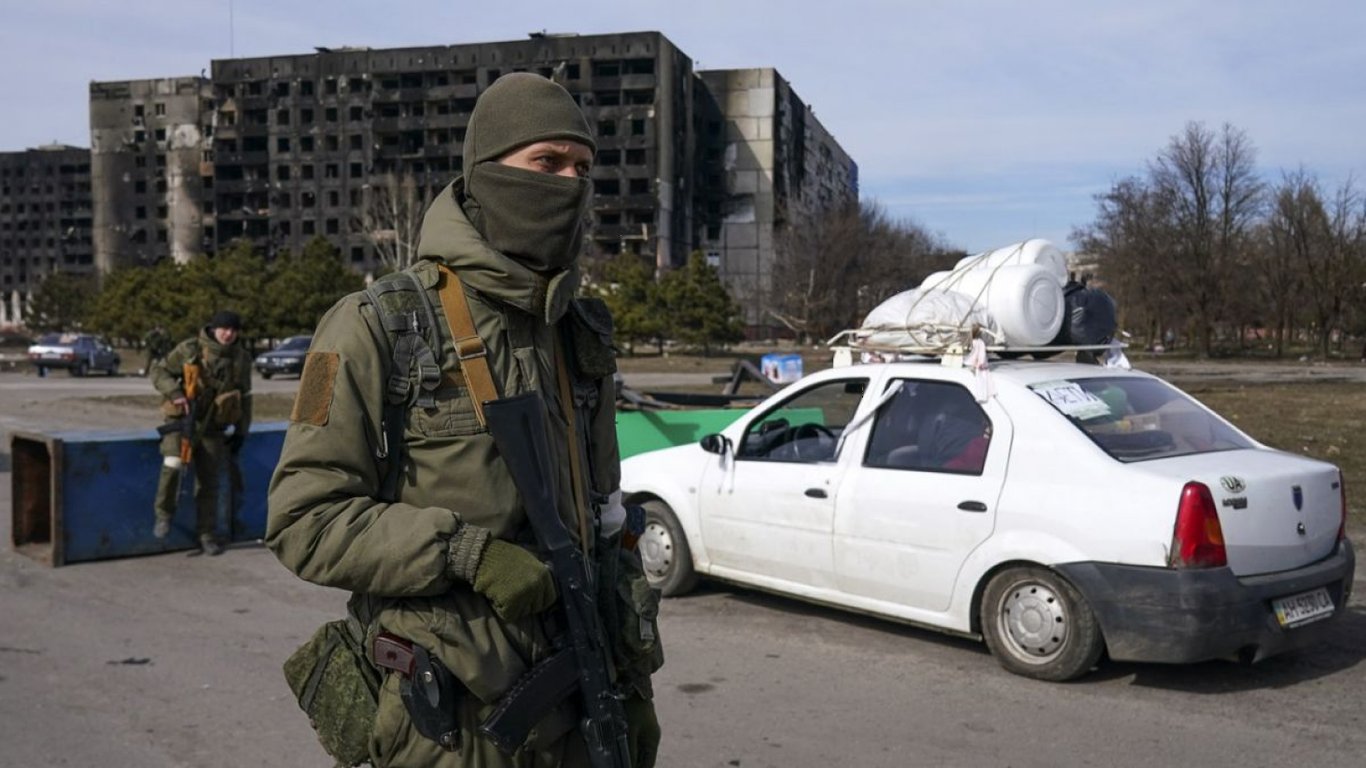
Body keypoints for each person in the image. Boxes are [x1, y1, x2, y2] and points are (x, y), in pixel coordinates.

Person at [266, 73, 662, 768]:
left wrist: (630, 687)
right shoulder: (375, 325)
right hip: (448, 725)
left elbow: (602, 521)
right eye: (546, 162)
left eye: (582, 167)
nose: (569, 183)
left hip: (577, 702)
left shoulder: (580, 334)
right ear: (485, 173)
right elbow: (304, 520)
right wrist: (465, 553)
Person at [150, 310, 253, 555]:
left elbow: (245, 397)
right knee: (173, 464)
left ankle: (206, 533)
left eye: (233, 330)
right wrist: (176, 394)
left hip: (213, 429)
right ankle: (163, 514)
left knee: (209, 483)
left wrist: (241, 431)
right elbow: (159, 372)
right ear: (214, 328)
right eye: (224, 329)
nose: (228, 334)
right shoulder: (190, 349)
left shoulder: (240, 358)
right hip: (183, 422)